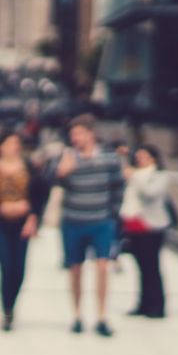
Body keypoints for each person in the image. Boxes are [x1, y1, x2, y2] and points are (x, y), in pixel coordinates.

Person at [51, 116, 125, 336]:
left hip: (101, 220)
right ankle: (77, 314)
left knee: (103, 266)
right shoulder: (67, 158)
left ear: (90, 134)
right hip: (73, 220)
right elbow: (50, 183)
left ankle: (102, 315)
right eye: (73, 135)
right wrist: (62, 172)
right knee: (75, 268)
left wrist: (113, 215)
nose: (75, 139)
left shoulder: (109, 159)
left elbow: (118, 187)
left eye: (79, 134)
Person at [0, 129, 50, 331]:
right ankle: (6, 310)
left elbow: (41, 191)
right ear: (0, 146)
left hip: (22, 224)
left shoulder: (29, 167)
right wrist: (1, 209)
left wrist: (32, 216)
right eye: (9, 143)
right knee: (6, 266)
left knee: (19, 269)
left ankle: (12, 304)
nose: (13, 147)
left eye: (16, 143)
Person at [119, 144, 172, 318]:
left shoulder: (159, 176)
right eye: (138, 157)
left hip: (152, 226)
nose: (140, 160)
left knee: (152, 267)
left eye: (144, 157)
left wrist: (134, 177)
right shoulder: (134, 175)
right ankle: (143, 303)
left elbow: (150, 193)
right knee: (141, 267)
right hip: (134, 225)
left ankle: (157, 305)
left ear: (153, 158)